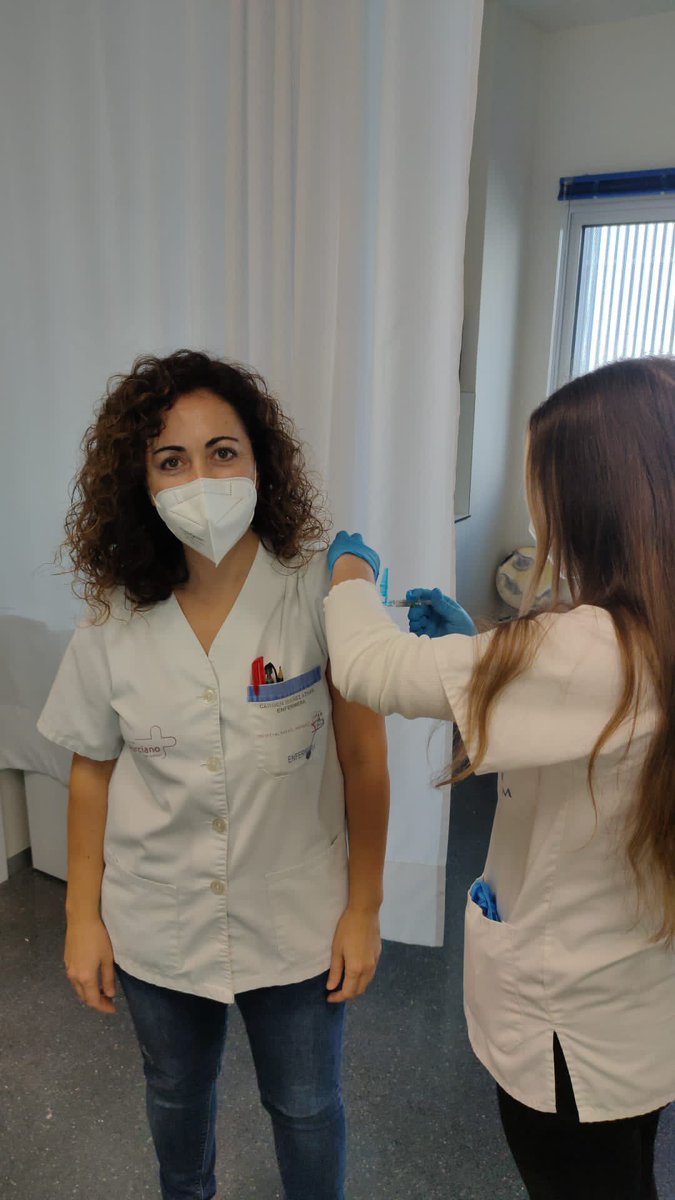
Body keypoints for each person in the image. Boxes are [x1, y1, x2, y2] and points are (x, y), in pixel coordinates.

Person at [38, 349, 389, 1200]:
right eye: (172, 460)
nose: (201, 478)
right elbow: (91, 773)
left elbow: (362, 760)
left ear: (260, 462)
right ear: (142, 484)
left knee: (306, 1107)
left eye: (222, 452)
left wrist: (365, 910)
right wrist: (82, 917)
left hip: (298, 918)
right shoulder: (113, 623)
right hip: (159, 920)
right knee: (174, 1095)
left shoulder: (317, 596)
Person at [322, 356, 675, 1200]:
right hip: (636, 1009)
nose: (537, 509)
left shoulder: (592, 648)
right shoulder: (643, 632)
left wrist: (347, 579)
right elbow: (583, 720)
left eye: (541, 486)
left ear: (591, 496)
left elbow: (369, 667)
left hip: (572, 1024)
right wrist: (488, 639)